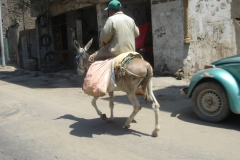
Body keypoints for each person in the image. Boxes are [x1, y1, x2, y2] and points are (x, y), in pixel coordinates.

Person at [88, 0, 140, 65]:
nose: (109, 12)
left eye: (109, 10)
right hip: (130, 50)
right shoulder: (130, 19)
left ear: (111, 10)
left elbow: (104, 38)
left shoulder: (111, 19)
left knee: (91, 58)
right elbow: (137, 34)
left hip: (115, 52)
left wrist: (105, 42)